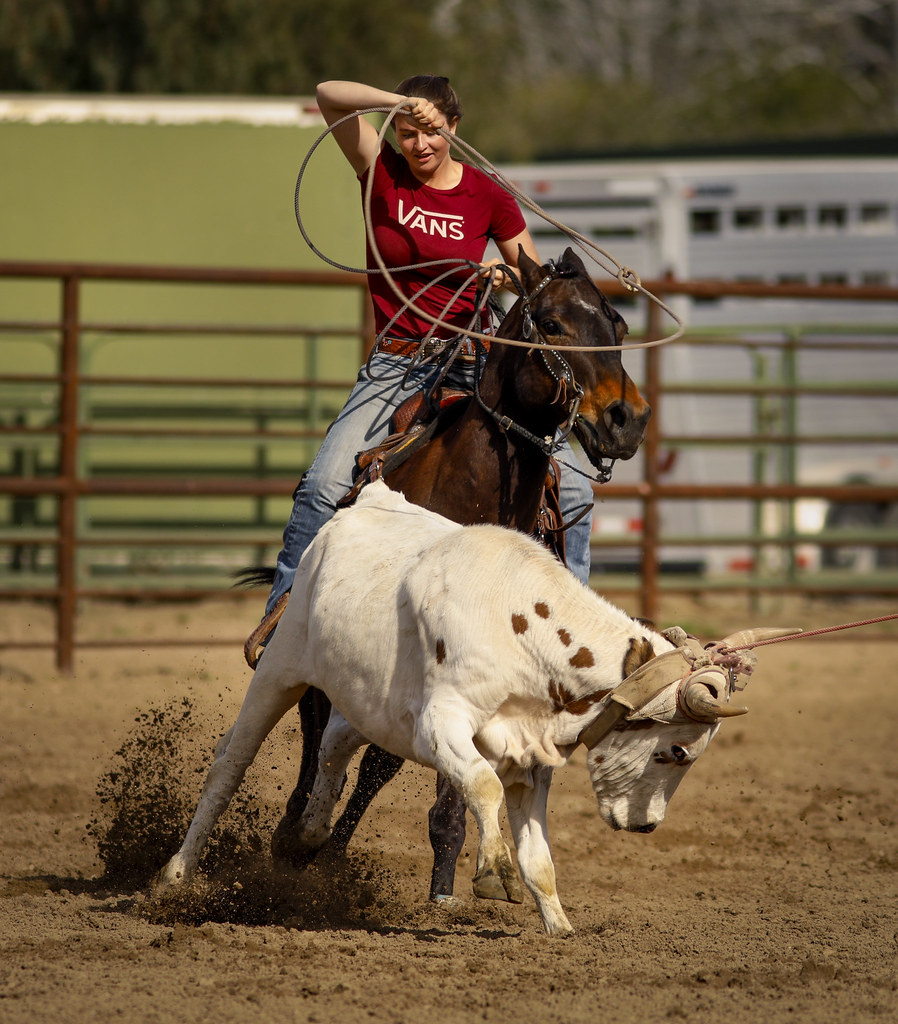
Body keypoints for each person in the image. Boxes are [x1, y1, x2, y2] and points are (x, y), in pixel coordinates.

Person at [263, 75, 594, 621]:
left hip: (473, 363)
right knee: (323, 485)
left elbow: (533, 278)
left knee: (575, 493)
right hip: (397, 362)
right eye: (410, 133)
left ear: (454, 128)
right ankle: (282, 622)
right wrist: (397, 104)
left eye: (433, 132)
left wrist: (504, 273)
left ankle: (573, 618)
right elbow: (327, 94)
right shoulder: (382, 172)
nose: (420, 145)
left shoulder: (487, 195)